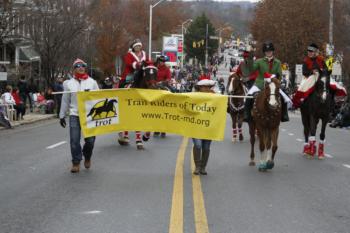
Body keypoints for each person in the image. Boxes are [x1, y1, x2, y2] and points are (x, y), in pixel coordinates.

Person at [59, 58, 99, 173]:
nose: (81, 67)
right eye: (78, 66)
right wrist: (62, 115)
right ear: (74, 68)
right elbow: (65, 100)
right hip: (74, 114)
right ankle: (76, 162)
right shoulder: (68, 84)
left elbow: (98, 98)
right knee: (74, 140)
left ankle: (87, 156)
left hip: (89, 115)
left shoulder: (92, 82)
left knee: (90, 141)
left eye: (83, 65)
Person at [243, 42, 291, 122]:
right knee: (249, 95)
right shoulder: (259, 61)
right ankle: (246, 114)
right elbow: (252, 69)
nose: (268, 52)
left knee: (283, 97)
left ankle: (284, 114)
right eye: (267, 51)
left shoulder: (278, 62)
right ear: (264, 52)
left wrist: (274, 80)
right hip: (260, 84)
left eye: (270, 51)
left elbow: (279, 74)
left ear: (272, 51)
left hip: (273, 84)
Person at [118, 39, 148, 147]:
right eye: (136, 46)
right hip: (130, 74)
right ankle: (120, 99)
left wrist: (148, 66)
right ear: (133, 47)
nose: (138, 48)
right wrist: (138, 65)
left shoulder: (144, 54)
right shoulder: (129, 54)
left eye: (139, 46)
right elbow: (129, 63)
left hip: (142, 74)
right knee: (123, 83)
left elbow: (148, 62)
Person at [192, 77, 216, 175]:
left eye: (208, 87)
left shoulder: (215, 97)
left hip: (208, 127)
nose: (206, 89)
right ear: (199, 88)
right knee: (198, 145)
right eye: (204, 87)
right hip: (196, 126)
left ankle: (203, 167)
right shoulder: (193, 97)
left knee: (206, 147)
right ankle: (197, 166)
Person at [292, 43, 328, 108]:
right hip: (309, 77)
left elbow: (326, 69)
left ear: (315, 52)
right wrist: (312, 71)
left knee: (330, 83)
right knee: (302, 86)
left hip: (321, 76)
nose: (309, 53)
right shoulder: (306, 60)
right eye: (308, 51)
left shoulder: (321, 59)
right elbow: (304, 72)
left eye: (311, 52)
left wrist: (322, 70)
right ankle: (300, 100)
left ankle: (335, 101)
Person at [154, 55, 171, 138]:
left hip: (163, 86)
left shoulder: (167, 69)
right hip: (154, 86)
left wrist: (163, 82)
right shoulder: (155, 68)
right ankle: (156, 129)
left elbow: (168, 78)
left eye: (163, 61)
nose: (162, 62)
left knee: (171, 92)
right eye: (161, 61)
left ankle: (163, 129)